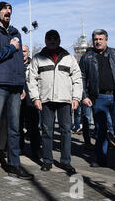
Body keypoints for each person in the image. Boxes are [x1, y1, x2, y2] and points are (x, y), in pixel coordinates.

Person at [0, 1, 33, 185]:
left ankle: (14, 165)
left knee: (14, 129)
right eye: (4, 9)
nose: (8, 11)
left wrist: (22, 85)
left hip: (14, 86)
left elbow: (20, 61)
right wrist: (11, 47)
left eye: (10, 9)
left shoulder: (16, 32)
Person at [27, 30, 82, 175]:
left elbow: (77, 79)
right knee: (46, 131)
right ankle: (47, 160)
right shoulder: (38, 58)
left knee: (66, 131)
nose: (52, 40)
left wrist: (76, 97)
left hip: (65, 100)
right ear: (45, 40)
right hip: (46, 100)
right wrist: (35, 98)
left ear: (59, 40)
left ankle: (66, 162)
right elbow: (31, 80)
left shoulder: (69, 58)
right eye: (49, 38)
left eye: (55, 38)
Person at [79, 29, 115, 168]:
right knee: (100, 130)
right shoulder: (87, 57)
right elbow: (81, 78)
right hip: (99, 98)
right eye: (96, 39)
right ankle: (101, 159)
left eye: (101, 39)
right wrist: (84, 96)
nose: (98, 42)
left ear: (106, 40)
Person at [20, 44, 41, 160]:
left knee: (33, 127)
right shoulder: (14, 64)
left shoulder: (34, 64)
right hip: (17, 99)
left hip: (31, 100)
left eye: (25, 51)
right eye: (21, 51)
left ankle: (35, 150)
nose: (23, 53)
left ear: (28, 52)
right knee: (17, 126)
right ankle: (19, 148)